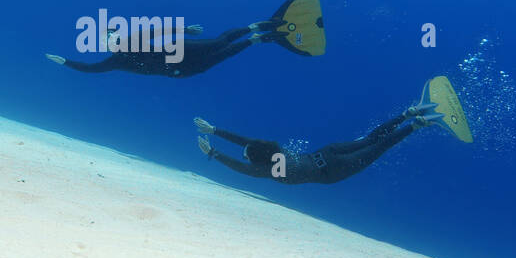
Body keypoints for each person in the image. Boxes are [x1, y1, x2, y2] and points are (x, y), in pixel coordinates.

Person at [195, 75, 471, 184]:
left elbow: (239, 166)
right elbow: (249, 142)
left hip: (332, 171)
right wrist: (215, 130)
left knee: (378, 146)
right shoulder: (273, 150)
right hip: (327, 153)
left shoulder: (267, 170)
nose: (245, 155)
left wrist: (213, 153)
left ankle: (418, 123)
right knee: (372, 139)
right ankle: (410, 112)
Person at [45, 0, 324, 79]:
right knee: (221, 55)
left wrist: (185, 28)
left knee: (218, 42)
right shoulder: (114, 61)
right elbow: (90, 69)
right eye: (107, 39)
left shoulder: (132, 41)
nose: (112, 41)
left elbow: (159, 29)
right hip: (181, 71)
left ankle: (255, 27)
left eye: (112, 35)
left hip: (181, 50)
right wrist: (65, 62)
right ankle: (255, 38)